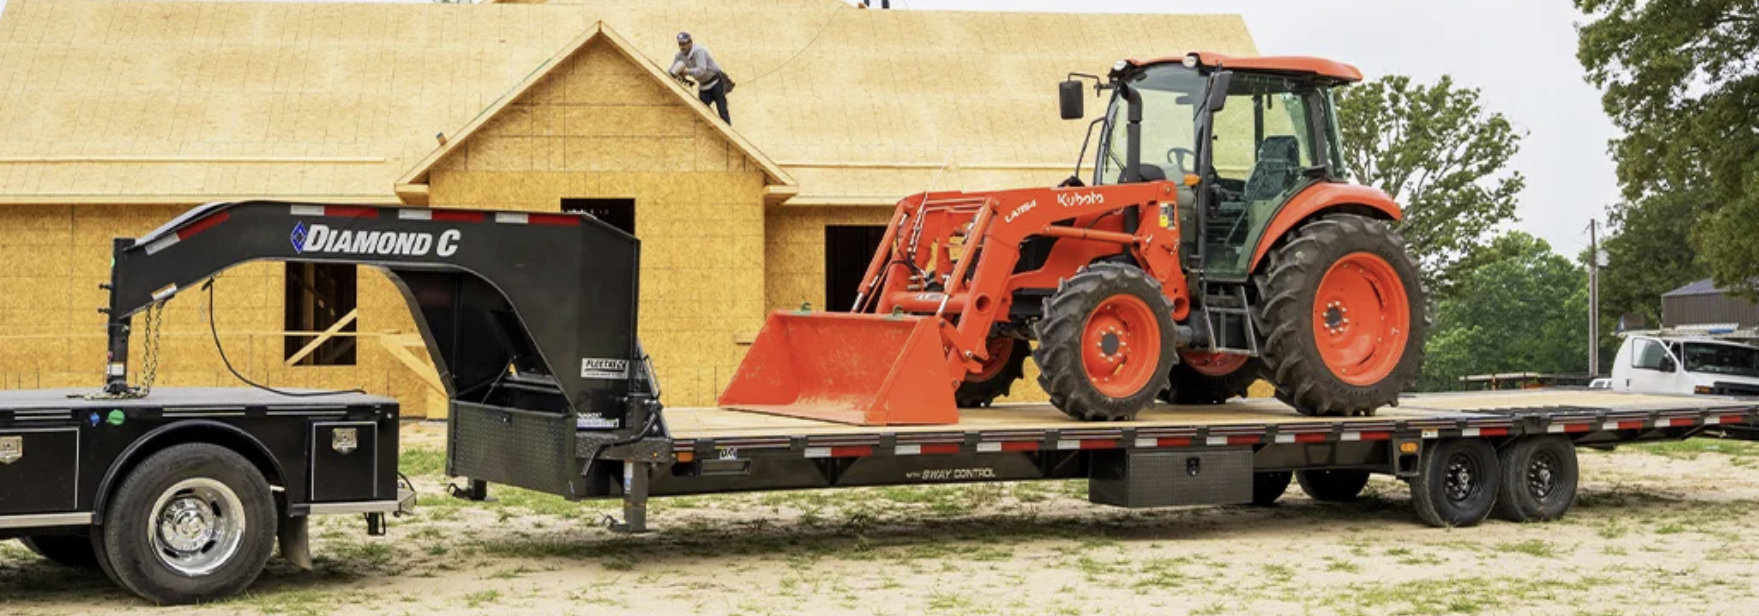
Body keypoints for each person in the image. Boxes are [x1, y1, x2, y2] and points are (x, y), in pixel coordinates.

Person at [670, 32, 730, 124]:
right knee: (704, 113)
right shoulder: (680, 55)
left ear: (690, 42)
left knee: (723, 112)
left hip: (716, 83)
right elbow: (671, 71)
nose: (682, 47)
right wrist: (674, 74)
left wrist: (686, 72)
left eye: (684, 44)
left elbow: (701, 70)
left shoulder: (698, 51)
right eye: (680, 44)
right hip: (703, 86)